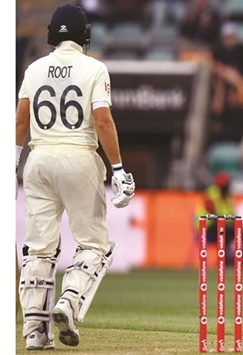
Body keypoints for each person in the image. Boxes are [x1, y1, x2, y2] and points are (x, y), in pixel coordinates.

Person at [15, 4, 135, 350]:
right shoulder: (94, 68)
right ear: (86, 37)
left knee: (38, 249)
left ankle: (35, 334)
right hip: (79, 159)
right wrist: (117, 169)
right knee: (94, 245)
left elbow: (21, 120)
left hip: (37, 161)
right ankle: (68, 302)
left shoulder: (34, 68)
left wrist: (11, 165)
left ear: (51, 36)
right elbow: (102, 121)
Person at [193, 172, 243, 265]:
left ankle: (238, 260)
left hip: (221, 225)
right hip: (207, 226)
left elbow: (230, 214)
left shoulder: (227, 196)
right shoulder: (211, 194)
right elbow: (212, 212)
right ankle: (224, 260)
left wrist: (232, 223)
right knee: (224, 231)